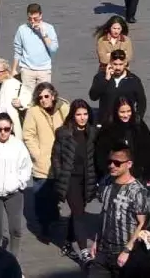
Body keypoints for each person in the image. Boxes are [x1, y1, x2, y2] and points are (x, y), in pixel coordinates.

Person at [88, 146, 149, 278]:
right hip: (103, 250)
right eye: (110, 162)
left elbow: (142, 223)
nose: (112, 166)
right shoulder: (106, 182)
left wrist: (127, 250)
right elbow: (104, 213)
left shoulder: (137, 191)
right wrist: (96, 241)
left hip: (123, 250)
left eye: (117, 163)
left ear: (129, 164)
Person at [50, 99, 97, 263]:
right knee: (78, 213)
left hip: (86, 179)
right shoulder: (63, 133)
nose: (82, 118)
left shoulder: (92, 132)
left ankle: (67, 242)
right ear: (73, 115)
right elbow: (55, 157)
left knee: (78, 212)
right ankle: (84, 251)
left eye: (85, 114)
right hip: (69, 179)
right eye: (79, 114)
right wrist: (60, 175)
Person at [21, 82, 68, 238]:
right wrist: (38, 154)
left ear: (53, 96)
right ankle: (43, 227)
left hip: (61, 162)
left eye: (46, 96)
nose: (43, 100)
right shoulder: (33, 112)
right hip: (43, 164)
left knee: (56, 195)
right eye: (40, 97)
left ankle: (54, 221)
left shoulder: (64, 108)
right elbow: (28, 135)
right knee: (41, 198)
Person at [0, 112, 31, 260]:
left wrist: (20, 183)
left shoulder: (18, 145)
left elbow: (26, 166)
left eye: (6, 129)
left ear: (11, 128)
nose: (3, 132)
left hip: (14, 193)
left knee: (15, 229)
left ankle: (13, 261)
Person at [95, 97, 150, 187]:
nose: (126, 115)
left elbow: (149, 150)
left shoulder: (138, 124)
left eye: (129, 111)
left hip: (137, 174)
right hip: (115, 176)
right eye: (122, 112)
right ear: (116, 111)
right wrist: (105, 173)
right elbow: (101, 153)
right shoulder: (108, 128)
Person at [88, 50, 147, 127]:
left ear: (125, 63)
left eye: (120, 64)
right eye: (115, 64)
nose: (118, 68)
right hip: (106, 124)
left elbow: (142, 103)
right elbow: (93, 96)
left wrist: (137, 119)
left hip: (126, 123)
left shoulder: (134, 80)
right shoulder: (100, 77)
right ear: (110, 63)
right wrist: (106, 79)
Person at [11, 3, 58, 98]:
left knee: (45, 98)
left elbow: (53, 49)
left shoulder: (49, 28)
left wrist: (43, 34)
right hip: (27, 70)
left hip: (44, 70)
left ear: (41, 16)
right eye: (30, 19)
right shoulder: (22, 29)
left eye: (35, 19)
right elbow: (18, 50)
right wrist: (14, 69)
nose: (32, 22)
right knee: (27, 99)